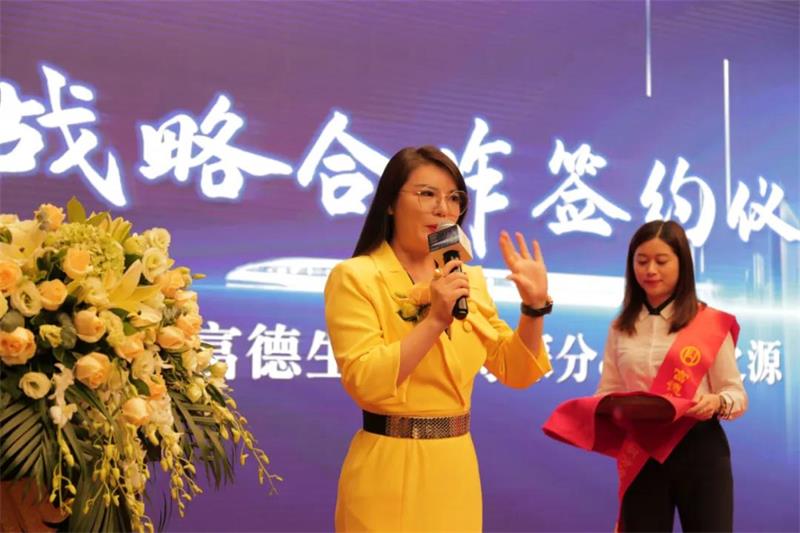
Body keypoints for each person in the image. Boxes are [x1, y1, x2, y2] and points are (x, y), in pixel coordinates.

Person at [324, 146, 552, 532]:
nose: (443, 209)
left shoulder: (467, 278)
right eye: (427, 194)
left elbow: (516, 371)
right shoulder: (356, 277)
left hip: (455, 468)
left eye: (454, 198)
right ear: (390, 203)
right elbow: (365, 381)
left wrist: (533, 309)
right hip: (389, 467)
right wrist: (434, 321)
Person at [595, 220, 747, 532]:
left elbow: (735, 393)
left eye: (661, 261)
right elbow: (607, 390)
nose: (650, 270)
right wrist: (605, 409)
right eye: (641, 261)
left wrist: (717, 402)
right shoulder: (620, 326)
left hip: (699, 448)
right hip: (643, 452)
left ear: (682, 264)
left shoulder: (707, 323)